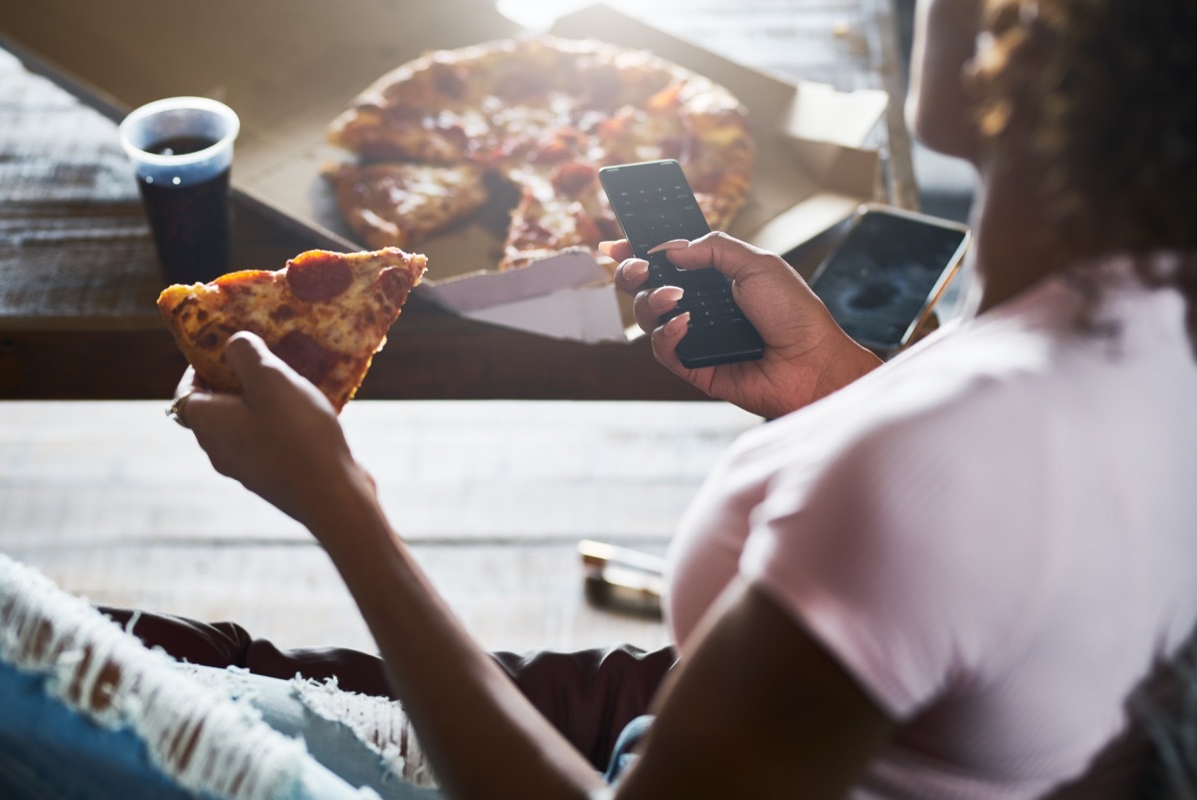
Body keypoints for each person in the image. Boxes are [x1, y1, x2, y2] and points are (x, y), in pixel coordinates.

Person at [155, 0, 1197, 797]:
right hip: (739, 724)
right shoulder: (1148, 315)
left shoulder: (918, 477)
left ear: (1018, 36)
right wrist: (835, 386)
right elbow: (986, 562)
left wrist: (337, 500)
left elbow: (938, 509)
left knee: (120, 675)